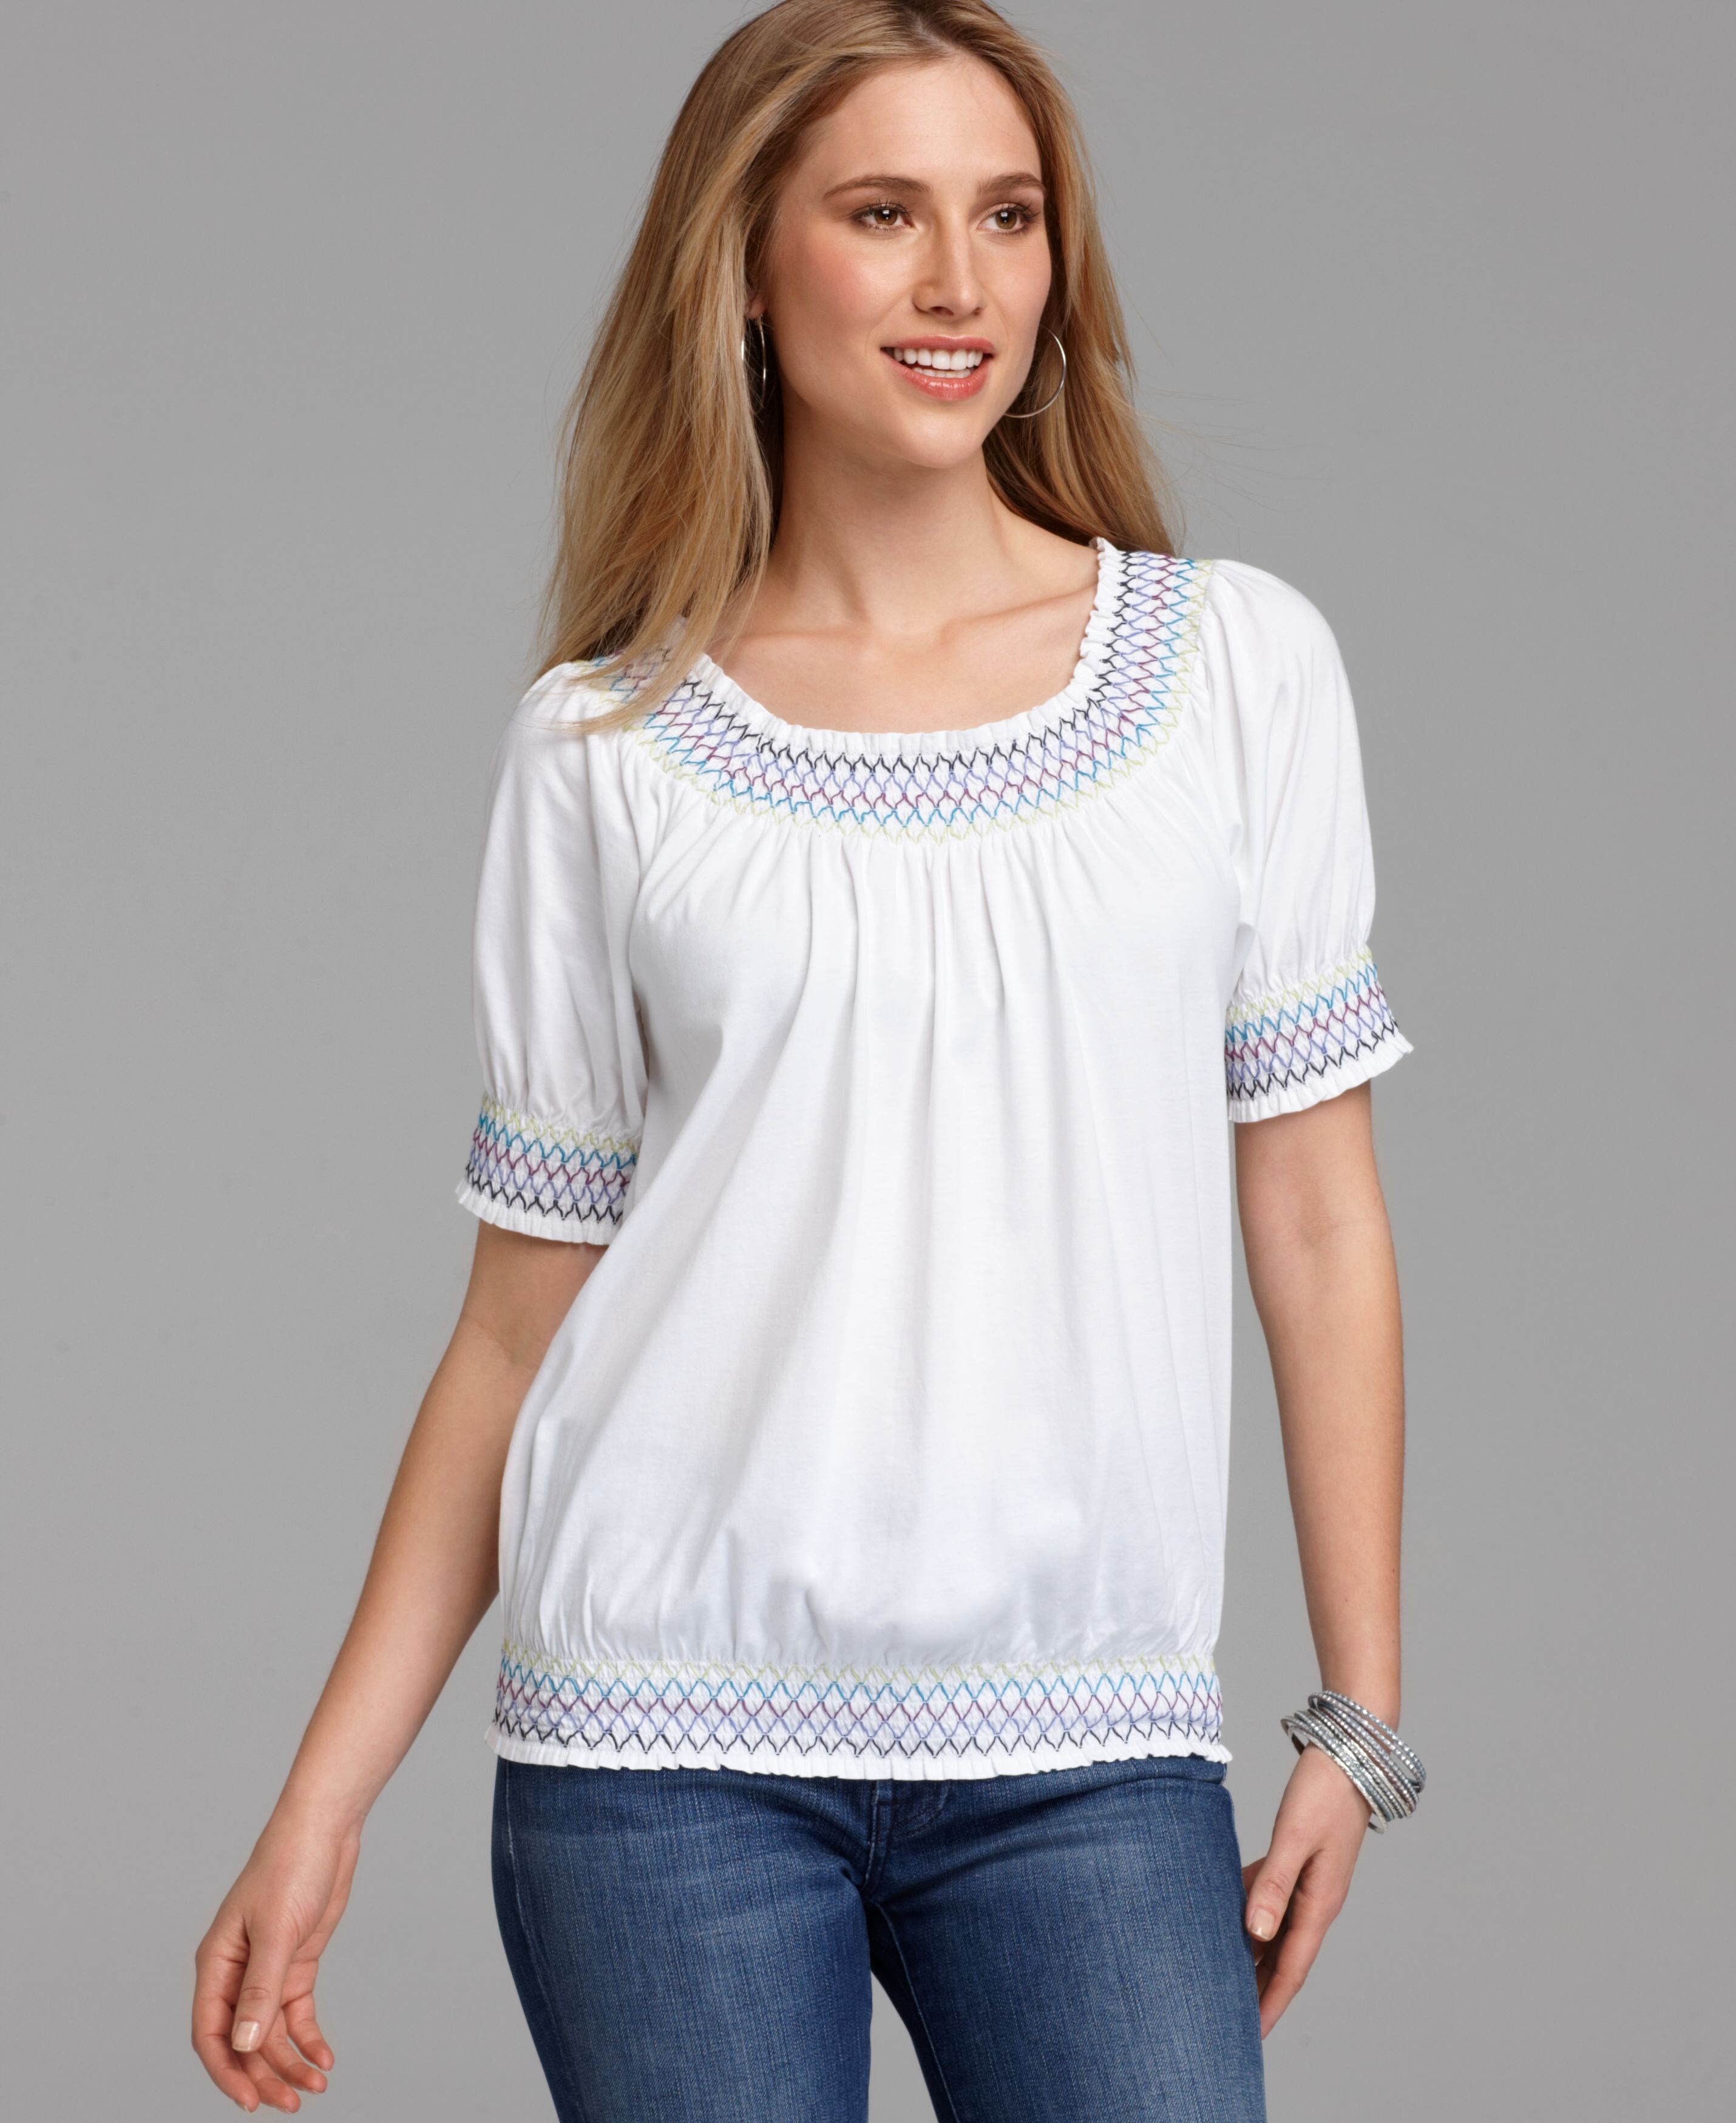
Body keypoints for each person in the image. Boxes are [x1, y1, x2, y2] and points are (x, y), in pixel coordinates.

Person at [192, 4, 1422, 2117]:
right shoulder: (605, 743)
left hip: (1086, 1744)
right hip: (652, 1757)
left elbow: (1315, 1221)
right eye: (881, 213)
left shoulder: (1235, 674)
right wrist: (320, 1801)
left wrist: (1356, 1710)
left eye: (1007, 216)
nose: (959, 282)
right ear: (748, 271)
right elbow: (514, 1328)